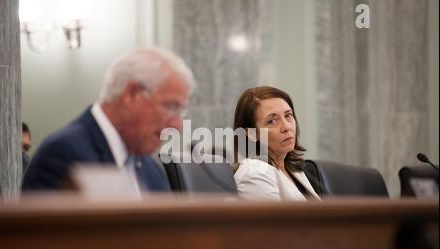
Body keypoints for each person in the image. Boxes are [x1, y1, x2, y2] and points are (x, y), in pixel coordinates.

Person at [22, 47, 194, 192]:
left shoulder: (152, 171)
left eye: (180, 112)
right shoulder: (65, 155)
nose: (176, 125)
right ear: (132, 94)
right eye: (171, 107)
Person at [233, 86, 320, 201]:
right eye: (272, 121)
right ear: (252, 134)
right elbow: (277, 219)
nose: (287, 127)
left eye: (288, 115)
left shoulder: (293, 170)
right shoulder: (254, 174)